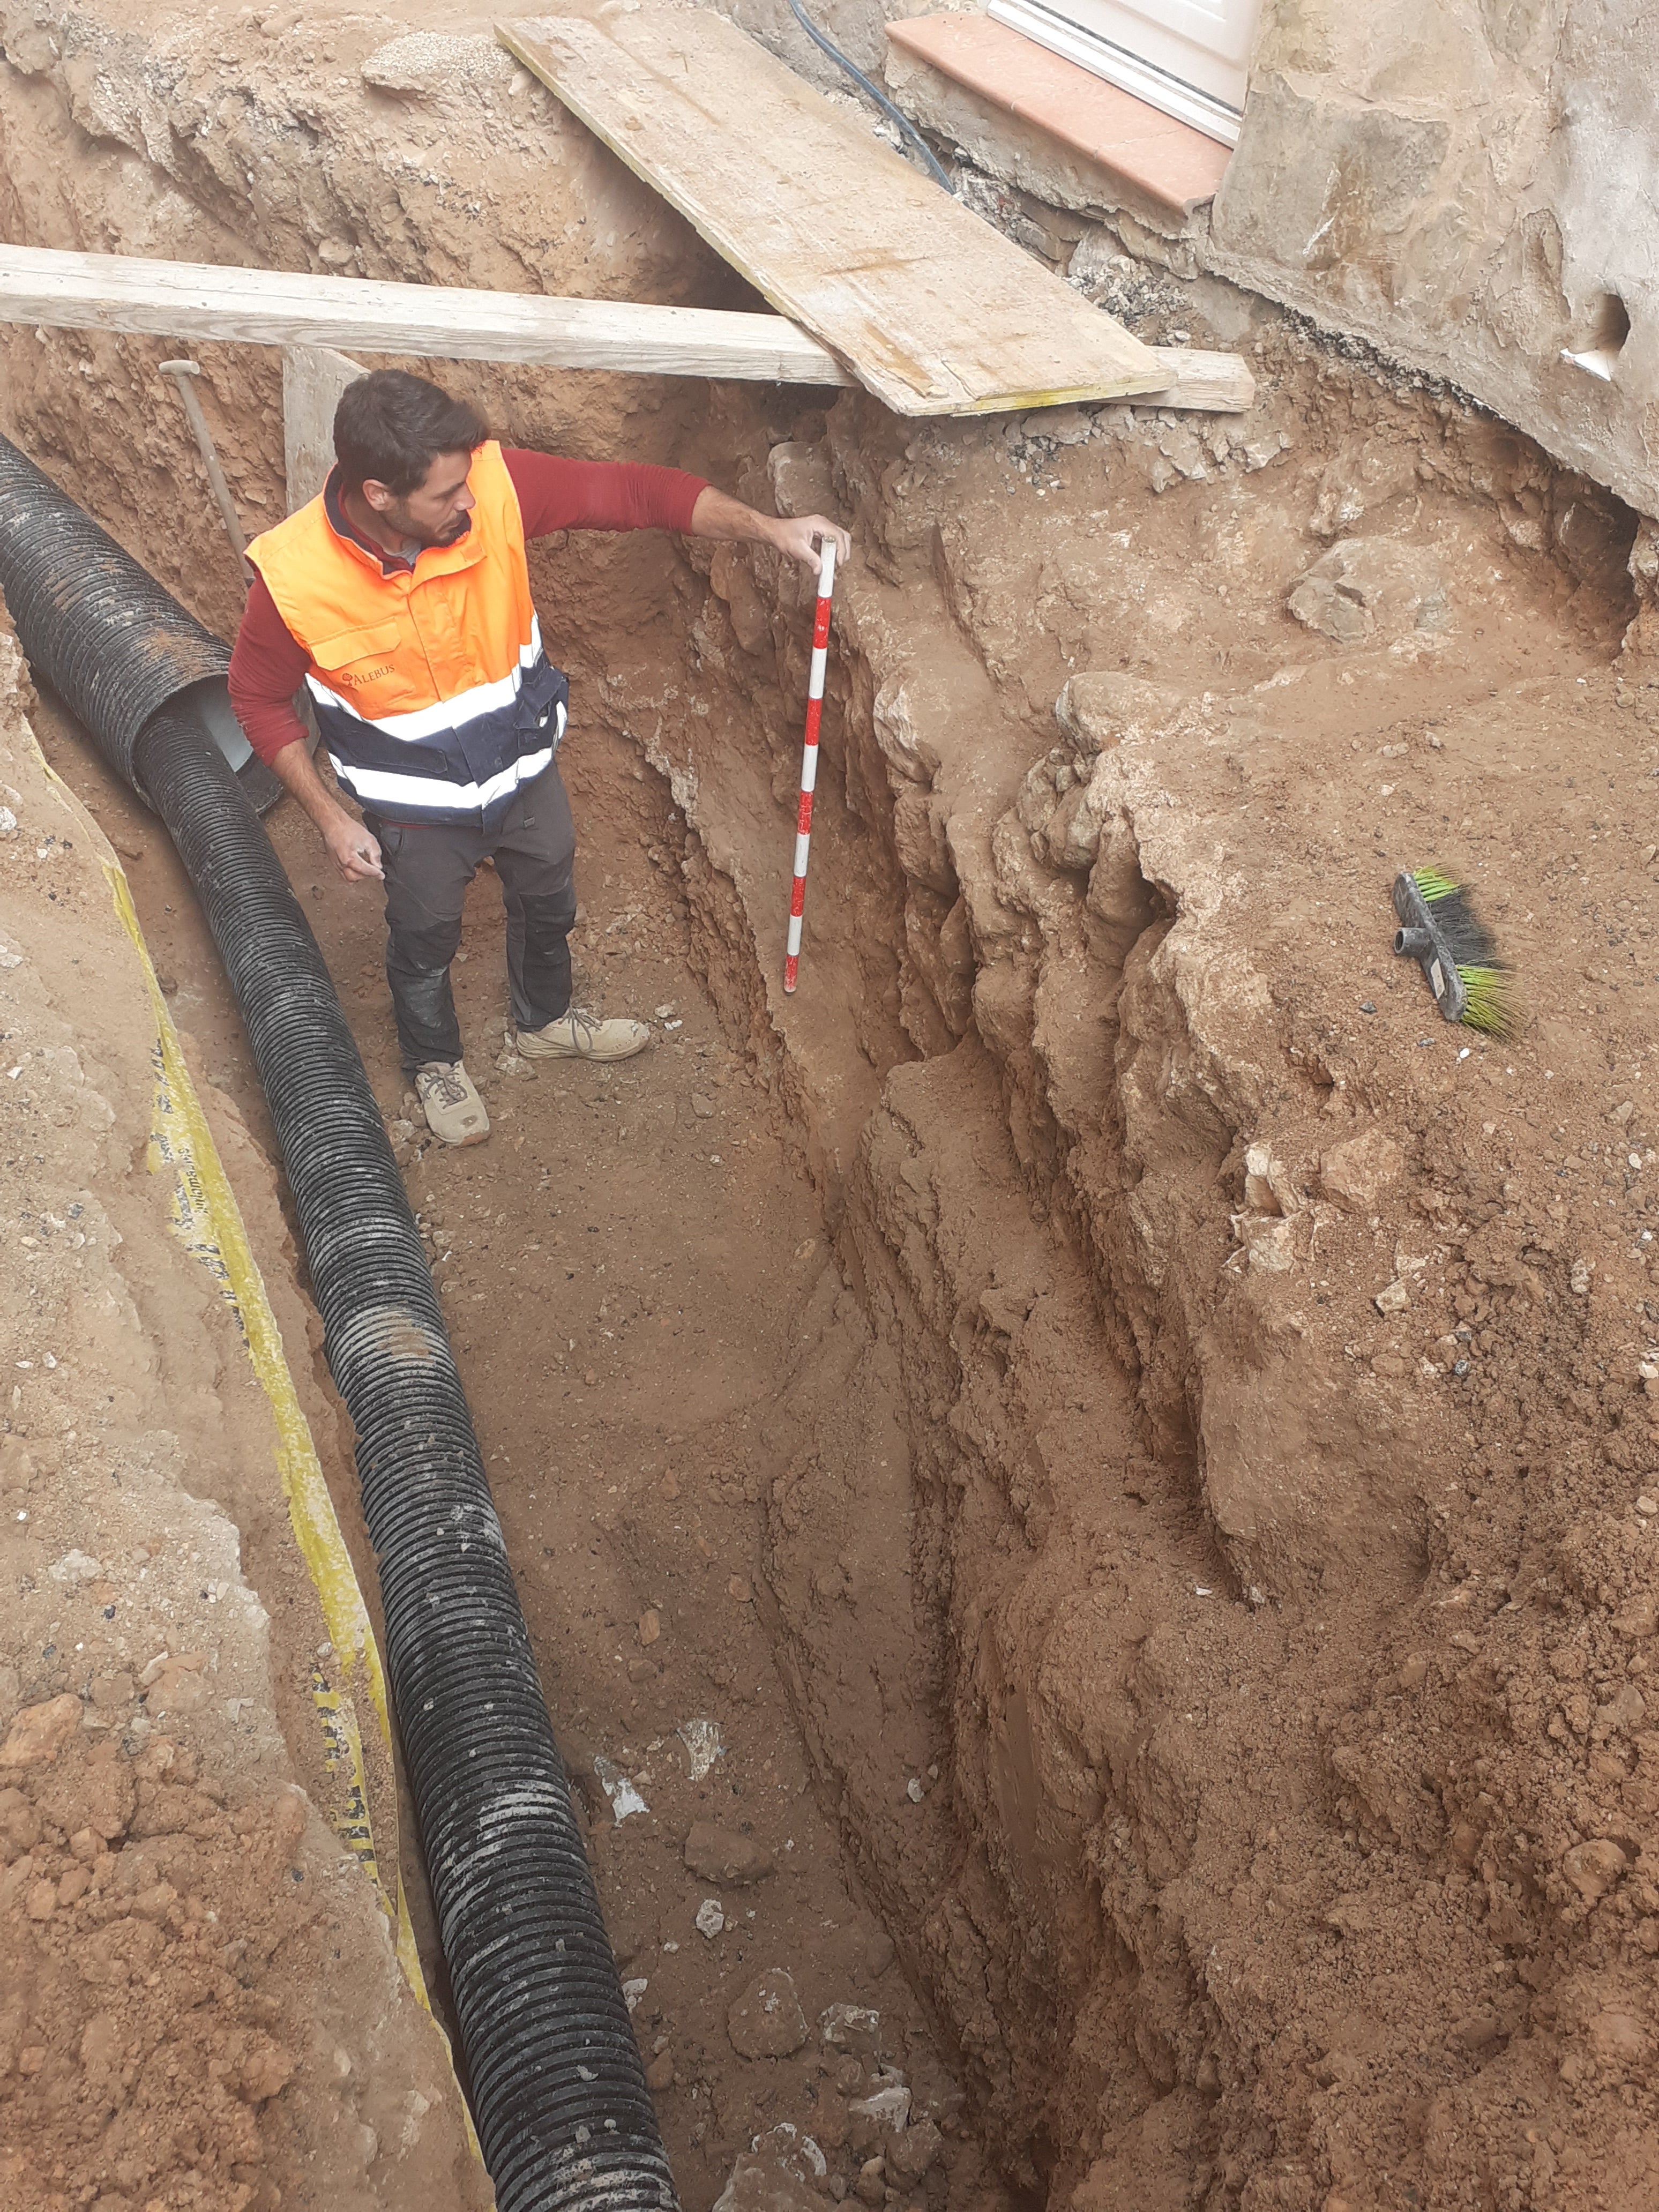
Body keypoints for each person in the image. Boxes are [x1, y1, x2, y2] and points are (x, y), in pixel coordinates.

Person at [228, 369, 849, 1147]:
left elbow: (632, 493)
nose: (469, 505)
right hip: (418, 815)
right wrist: (326, 816)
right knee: (424, 937)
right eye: (446, 496)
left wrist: (770, 528)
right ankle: (435, 1062)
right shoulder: (296, 581)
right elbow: (256, 701)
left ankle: (544, 1022)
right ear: (380, 495)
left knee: (550, 900)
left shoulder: (493, 485)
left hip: (524, 774)